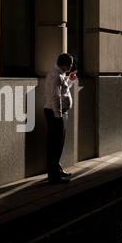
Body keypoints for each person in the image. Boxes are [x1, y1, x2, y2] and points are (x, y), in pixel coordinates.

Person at [44, 53, 77, 183]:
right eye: (70, 64)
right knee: (55, 144)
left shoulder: (60, 74)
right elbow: (55, 97)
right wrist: (58, 115)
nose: (71, 66)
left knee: (58, 143)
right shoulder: (56, 75)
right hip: (56, 113)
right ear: (65, 63)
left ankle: (57, 169)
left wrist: (70, 80)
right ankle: (54, 176)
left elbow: (64, 91)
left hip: (60, 112)